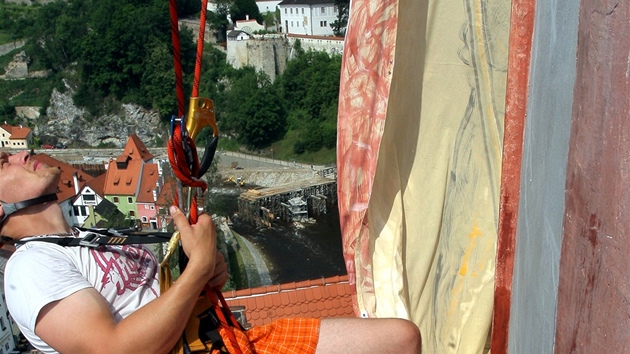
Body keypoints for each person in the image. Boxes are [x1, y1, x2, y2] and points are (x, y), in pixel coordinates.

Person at [1, 150, 421, 354]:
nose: (21, 153)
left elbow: (160, 302)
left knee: (400, 339)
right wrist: (198, 267)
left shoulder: (87, 236)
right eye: (4, 161)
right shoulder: (30, 267)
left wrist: (202, 276)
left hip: (218, 341)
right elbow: (112, 350)